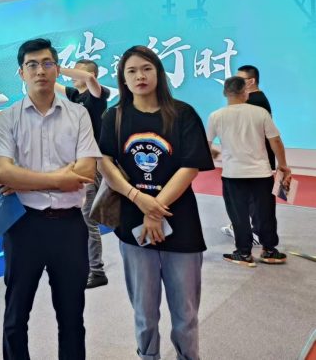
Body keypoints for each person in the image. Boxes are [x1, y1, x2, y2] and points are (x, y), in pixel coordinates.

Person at [98, 45, 214, 360]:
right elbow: (105, 162)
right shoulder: (114, 116)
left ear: (159, 73)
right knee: (144, 311)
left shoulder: (182, 113)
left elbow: (189, 166)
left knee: (185, 312)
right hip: (133, 225)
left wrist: (155, 208)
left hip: (181, 224)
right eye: (132, 71)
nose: (140, 76)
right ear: (123, 78)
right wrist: (138, 198)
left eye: (147, 68)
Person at [0, 38, 101, 360]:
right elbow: (2, 173)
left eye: (47, 63)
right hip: (23, 226)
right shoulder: (8, 118)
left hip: (69, 227)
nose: (41, 70)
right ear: (21, 72)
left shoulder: (78, 115)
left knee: (72, 317)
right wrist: (58, 180)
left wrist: (25, 179)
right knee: (16, 315)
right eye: (32, 65)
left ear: (57, 69)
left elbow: (86, 171)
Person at [207, 76, 290, 267]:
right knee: (265, 212)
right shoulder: (260, 113)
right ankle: (269, 250)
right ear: (245, 92)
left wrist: (215, 153)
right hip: (261, 174)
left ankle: (244, 253)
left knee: (239, 215)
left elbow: (206, 145)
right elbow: (275, 140)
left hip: (233, 174)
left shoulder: (216, 116)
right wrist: (283, 165)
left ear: (225, 93)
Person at [55, 59, 110, 289]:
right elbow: (55, 85)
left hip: (94, 165)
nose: (72, 76)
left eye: (78, 72)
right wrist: (43, 71)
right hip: (80, 163)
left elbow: (88, 79)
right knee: (79, 216)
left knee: (88, 219)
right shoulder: (76, 95)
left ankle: (96, 270)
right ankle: (85, 264)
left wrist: (55, 68)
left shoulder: (97, 96)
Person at [220, 64, 275, 244]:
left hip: (254, 160)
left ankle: (255, 233)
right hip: (255, 159)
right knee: (253, 198)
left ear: (251, 81)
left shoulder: (253, 102)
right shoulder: (257, 99)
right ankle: (253, 232)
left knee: (252, 199)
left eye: (240, 80)